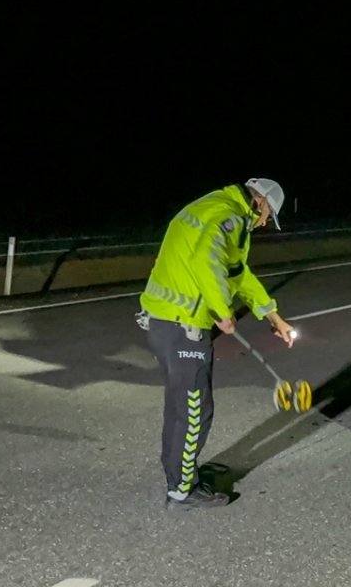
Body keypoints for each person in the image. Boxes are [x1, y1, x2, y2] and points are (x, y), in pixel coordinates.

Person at [137, 178, 298, 509]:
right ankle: (182, 490)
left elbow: (238, 275)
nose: (264, 223)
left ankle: (180, 475)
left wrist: (272, 316)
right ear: (261, 203)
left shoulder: (214, 206)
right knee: (195, 410)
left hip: (163, 321)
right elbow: (205, 260)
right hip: (183, 327)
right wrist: (222, 312)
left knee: (181, 406)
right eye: (268, 216)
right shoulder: (232, 218)